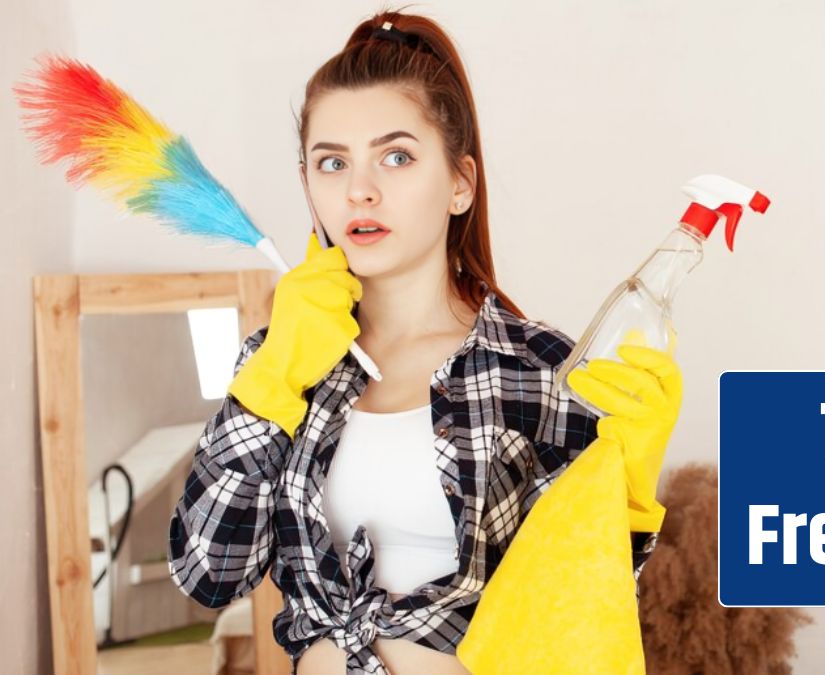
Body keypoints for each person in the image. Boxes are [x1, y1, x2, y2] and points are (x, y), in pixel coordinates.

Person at [167, 8, 682, 674]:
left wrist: (628, 494)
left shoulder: (543, 370)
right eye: (332, 162)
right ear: (307, 183)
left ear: (461, 183)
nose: (360, 190)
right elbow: (207, 572)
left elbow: (582, 612)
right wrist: (272, 381)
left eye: (397, 156)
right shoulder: (281, 362)